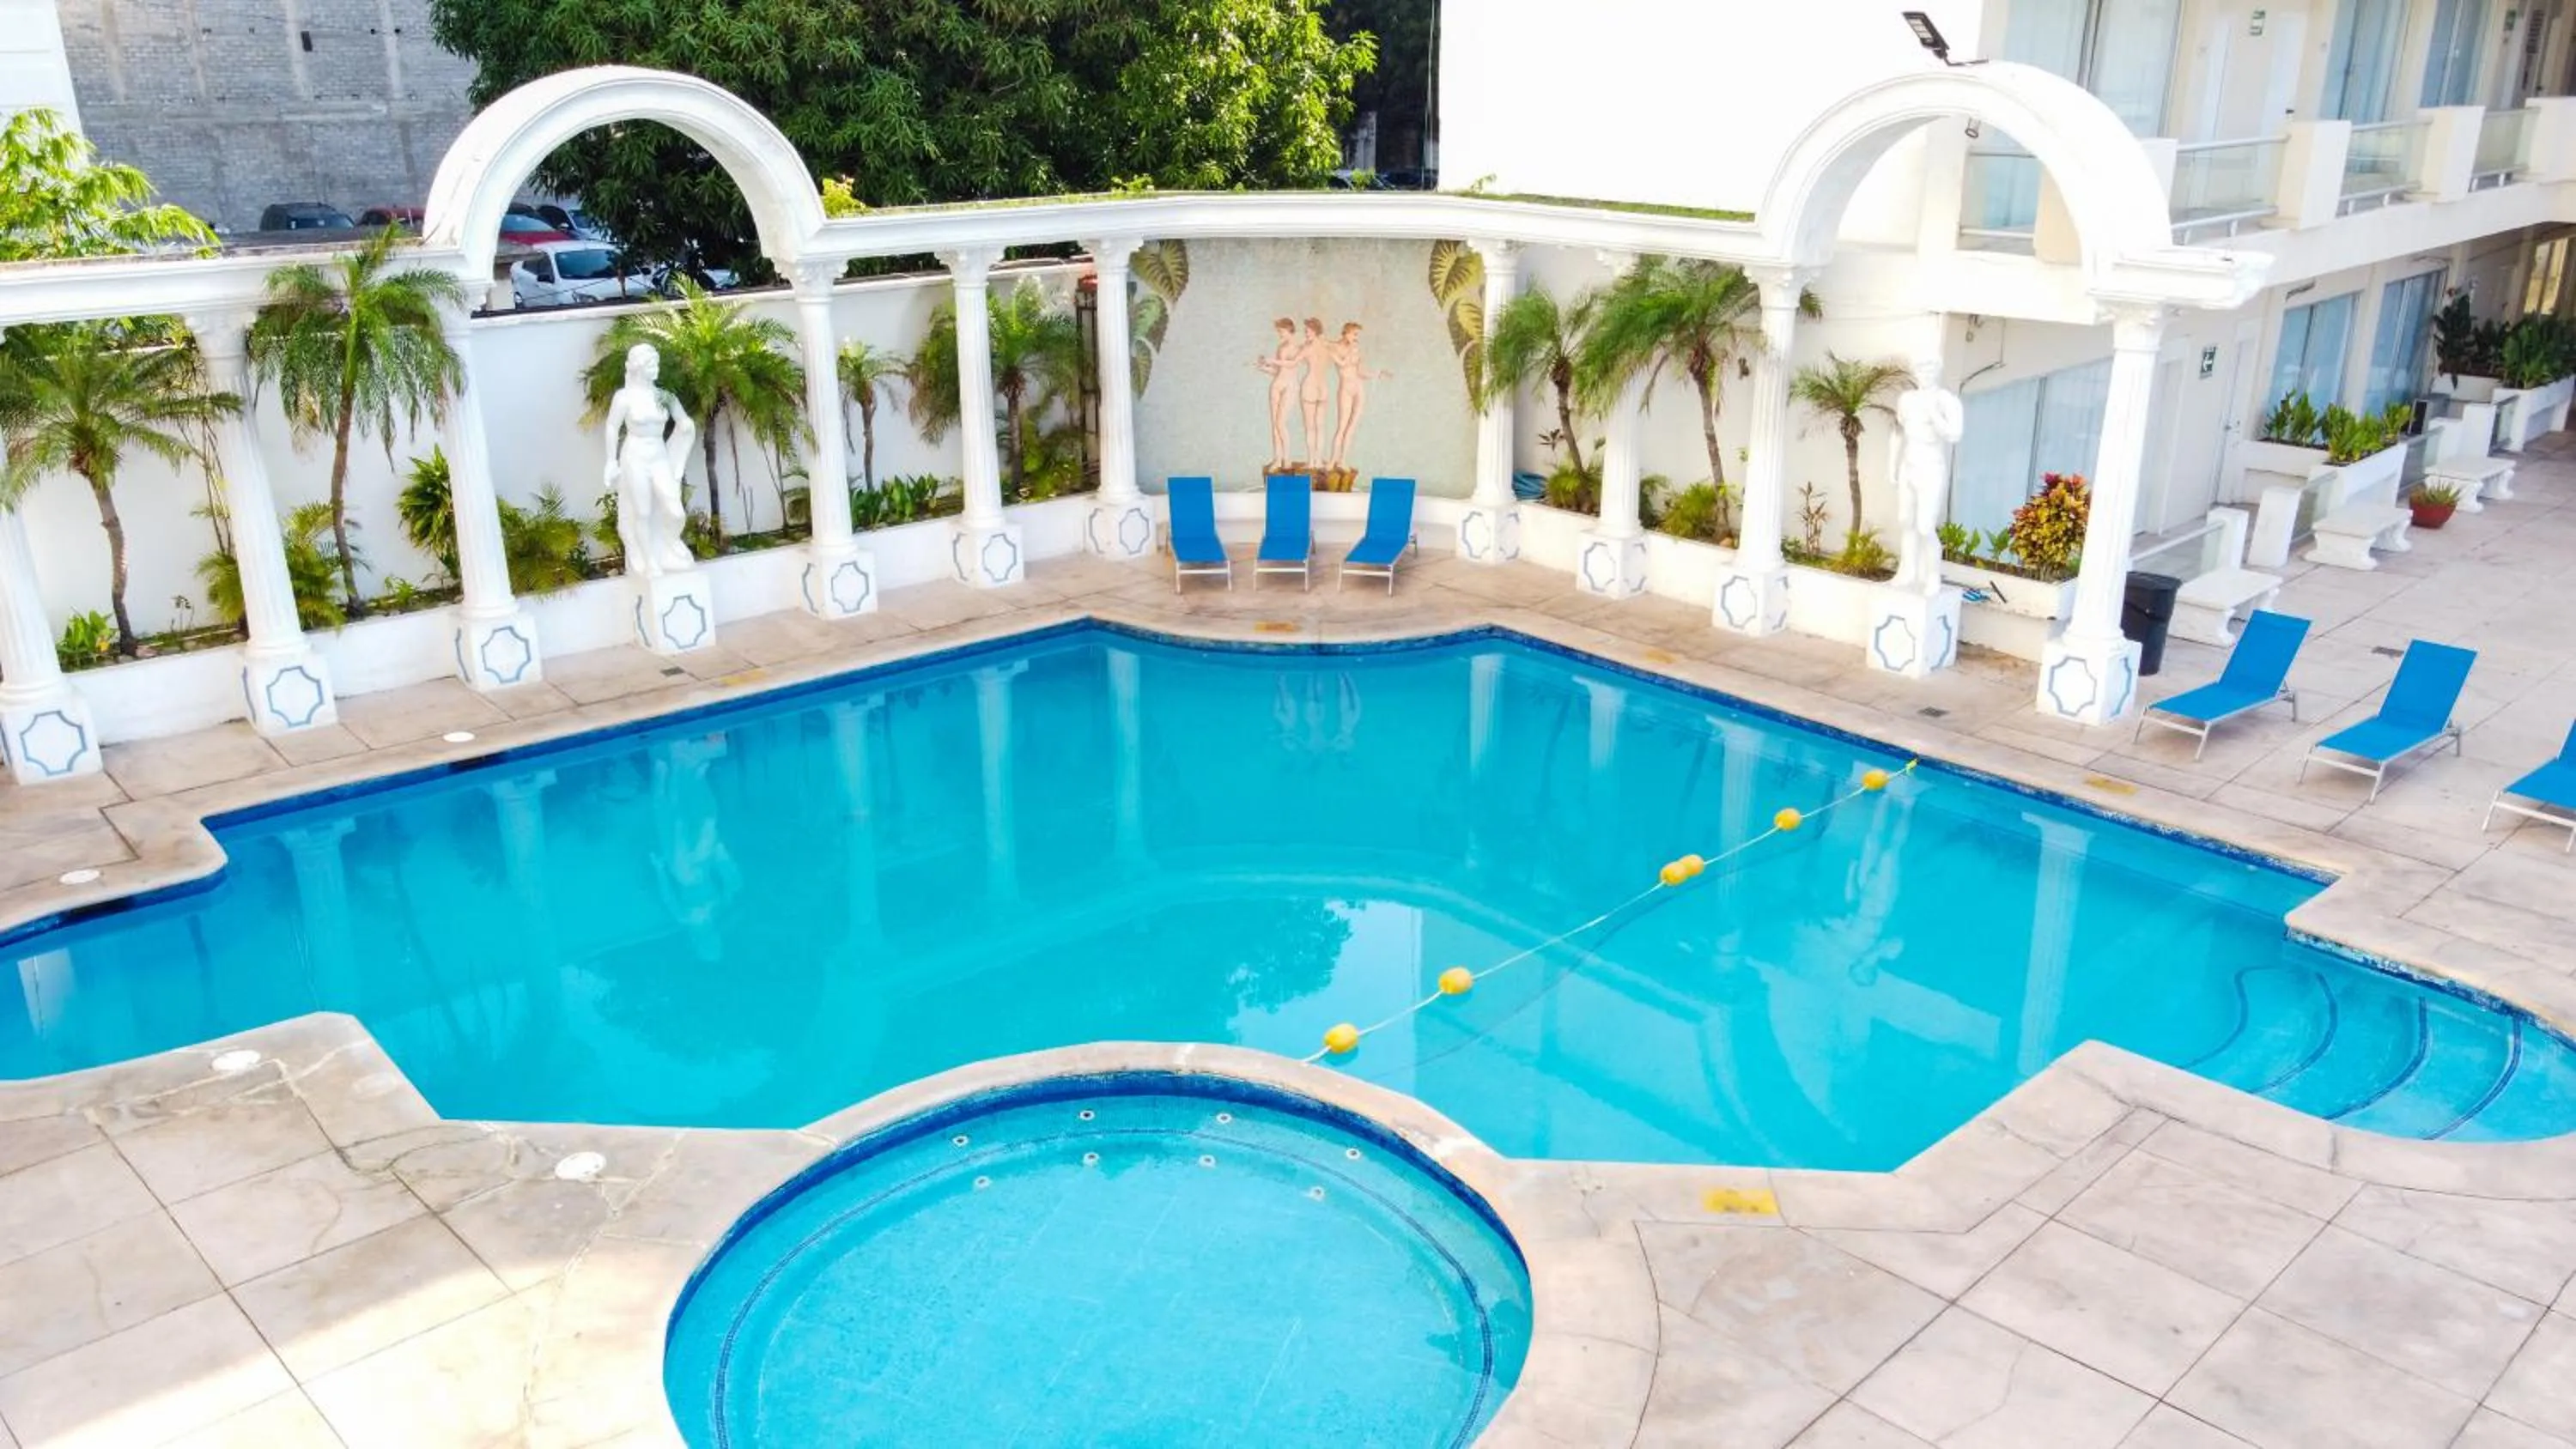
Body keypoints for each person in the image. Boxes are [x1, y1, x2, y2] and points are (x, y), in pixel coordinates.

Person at [600, 343, 696, 578]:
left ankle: (669, 544)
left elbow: (683, 420)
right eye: (651, 364)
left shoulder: (665, 396)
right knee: (642, 511)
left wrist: (686, 426)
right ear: (638, 367)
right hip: (635, 456)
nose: (656, 368)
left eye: (657, 363)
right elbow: (612, 426)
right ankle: (650, 560)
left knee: (675, 510)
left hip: (659, 455)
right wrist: (611, 461)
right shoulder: (624, 398)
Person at [1889, 358, 1962, 595]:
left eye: (1930, 369)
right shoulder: (1907, 399)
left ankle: (1932, 577)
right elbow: (1898, 432)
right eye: (1921, 369)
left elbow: (1954, 435)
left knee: (1925, 526)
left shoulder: (1946, 400)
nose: (1925, 373)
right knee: (1906, 521)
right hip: (1908, 466)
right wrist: (1892, 466)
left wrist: (1934, 414)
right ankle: (1907, 572)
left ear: (1937, 371)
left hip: (1931, 467)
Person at [1325, 322, 1391, 470]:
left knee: (1352, 427)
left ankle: (1343, 461)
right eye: (1354, 334)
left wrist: (1378, 374)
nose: (1356, 338)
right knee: (1341, 427)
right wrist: (1351, 351)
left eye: (1357, 335)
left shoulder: (1356, 349)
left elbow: (1361, 372)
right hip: (1345, 389)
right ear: (1346, 332)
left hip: (1358, 388)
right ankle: (1332, 461)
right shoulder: (1334, 348)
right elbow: (1342, 364)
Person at [1253, 318, 1301, 471]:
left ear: (1289, 330)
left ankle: (1287, 459)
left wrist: (1272, 361)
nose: (1279, 334)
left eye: (1281, 331)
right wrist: (1262, 367)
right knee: (1275, 425)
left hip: (1290, 387)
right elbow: (1278, 371)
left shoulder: (1297, 348)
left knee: (1280, 423)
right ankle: (1278, 459)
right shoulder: (1281, 347)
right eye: (1278, 331)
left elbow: (1292, 364)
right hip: (1277, 385)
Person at [1295, 318, 1329, 468]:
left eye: (1307, 331)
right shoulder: (1326, 347)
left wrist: (1271, 362)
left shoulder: (1307, 348)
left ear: (1315, 331)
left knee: (1310, 427)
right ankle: (1318, 460)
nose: (1306, 333)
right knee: (1320, 426)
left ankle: (1312, 461)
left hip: (1310, 387)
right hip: (1322, 387)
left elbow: (1293, 362)